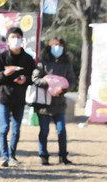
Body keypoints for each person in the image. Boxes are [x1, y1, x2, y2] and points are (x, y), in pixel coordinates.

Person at [0, 27, 36, 167]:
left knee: (16, 129)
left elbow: (33, 77)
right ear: (7, 40)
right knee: (4, 128)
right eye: (12, 37)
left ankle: (12, 156)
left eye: (18, 37)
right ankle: (4, 156)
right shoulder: (1, 57)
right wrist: (5, 73)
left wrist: (25, 79)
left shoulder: (28, 59)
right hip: (4, 98)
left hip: (19, 98)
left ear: (22, 39)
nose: (15, 39)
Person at [32, 37, 76, 165]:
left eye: (60, 46)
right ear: (49, 47)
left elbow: (72, 81)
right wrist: (47, 83)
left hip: (59, 103)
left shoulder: (67, 64)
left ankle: (63, 156)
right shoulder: (42, 63)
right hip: (44, 104)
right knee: (44, 131)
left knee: (61, 130)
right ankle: (43, 156)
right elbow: (35, 78)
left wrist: (63, 89)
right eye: (55, 45)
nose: (57, 48)